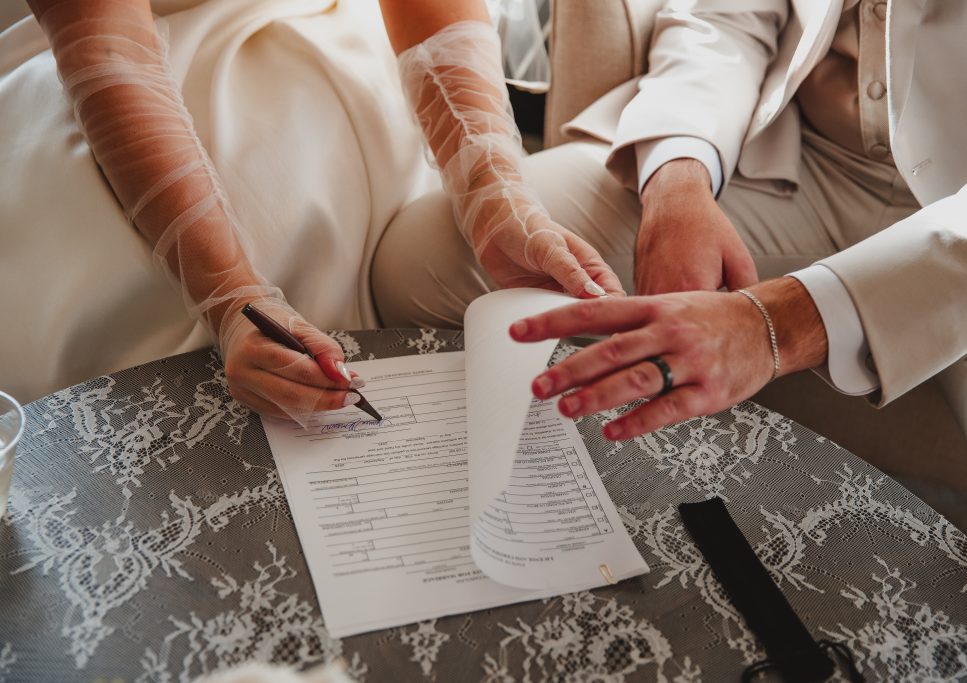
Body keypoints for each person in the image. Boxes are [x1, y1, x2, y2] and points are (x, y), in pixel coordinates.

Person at [373, 0, 967, 580]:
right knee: (420, 264)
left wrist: (774, 324)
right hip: (803, 164)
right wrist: (677, 175)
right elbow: (726, 11)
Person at [0, 0, 621, 419]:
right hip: (123, 103)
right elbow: (109, 52)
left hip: (353, 81)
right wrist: (229, 297)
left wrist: (495, 194)